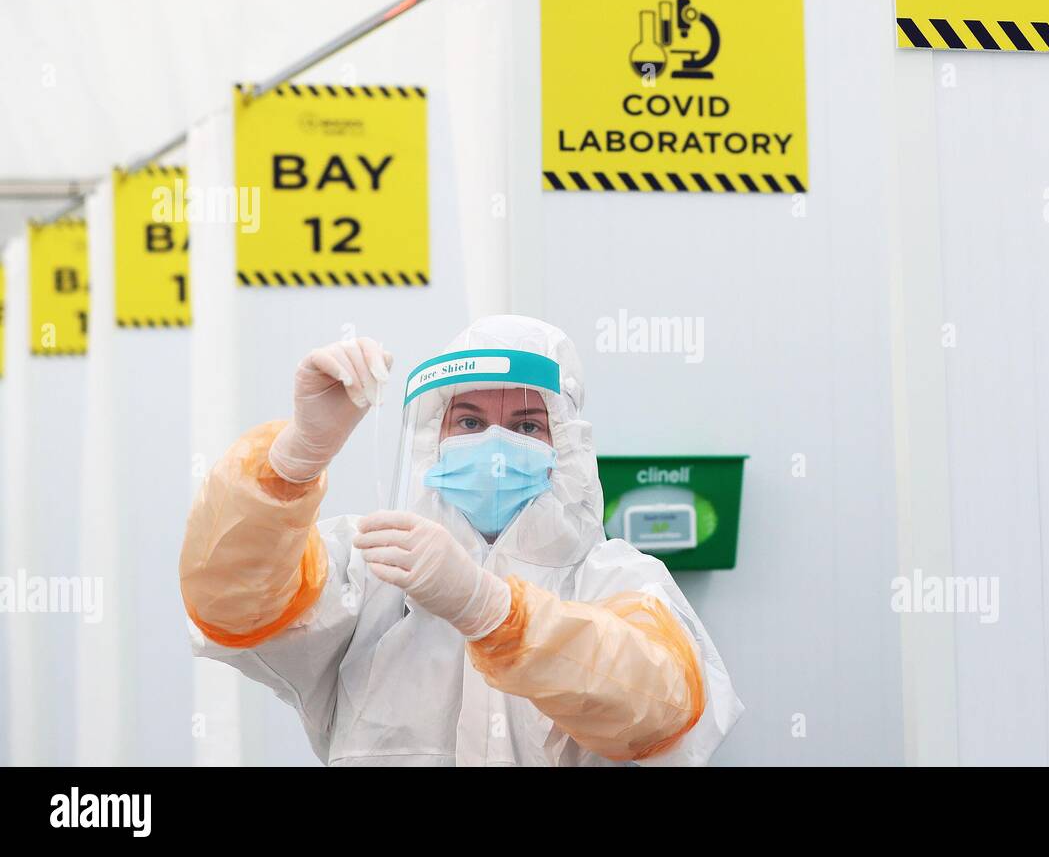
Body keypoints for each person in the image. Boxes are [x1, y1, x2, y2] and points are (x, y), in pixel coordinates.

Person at [179, 315, 742, 766]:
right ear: (434, 438)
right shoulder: (374, 565)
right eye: (469, 422)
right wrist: (295, 460)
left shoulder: (614, 579)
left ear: (566, 446)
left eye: (526, 426)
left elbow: (660, 705)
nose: (495, 443)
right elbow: (230, 604)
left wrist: (491, 610)